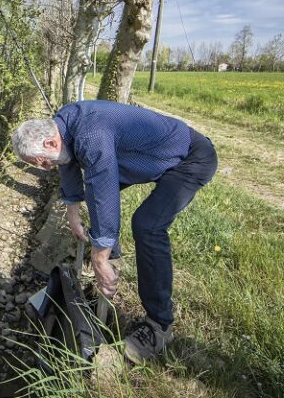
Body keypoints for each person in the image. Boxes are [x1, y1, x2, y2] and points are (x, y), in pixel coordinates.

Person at [11, 100, 217, 363]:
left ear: (50, 143)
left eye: (40, 162)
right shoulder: (62, 125)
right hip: (146, 157)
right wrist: (73, 215)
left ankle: (159, 326)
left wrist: (99, 257)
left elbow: (103, 185)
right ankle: (110, 258)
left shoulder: (92, 135)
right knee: (98, 201)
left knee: (147, 225)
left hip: (188, 157)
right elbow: (68, 162)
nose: (42, 168)